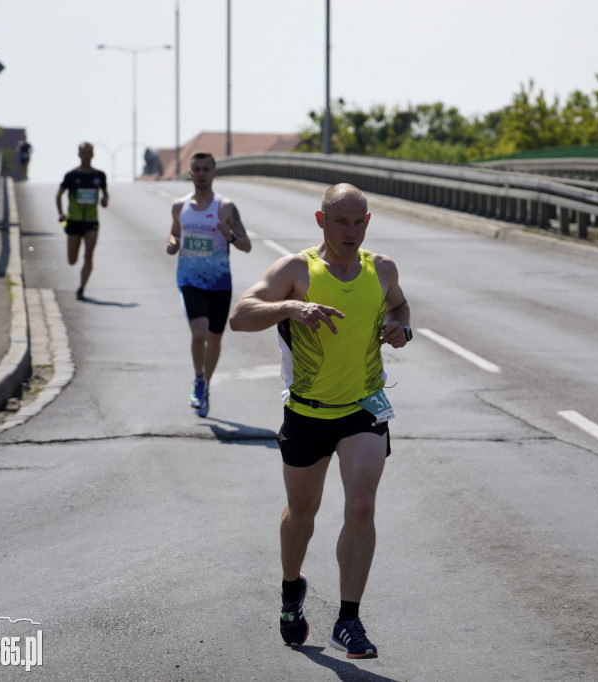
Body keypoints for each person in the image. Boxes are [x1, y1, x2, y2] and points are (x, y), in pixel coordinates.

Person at [229, 183, 412, 659]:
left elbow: (399, 305)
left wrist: (401, 327)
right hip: (307, 413)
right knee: (301, 516)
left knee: (361, 508)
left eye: (359, 221)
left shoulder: (382, 268)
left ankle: (347, 621)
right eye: (340, 221)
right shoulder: (296, 270)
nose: (350, 231)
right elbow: (241, 316)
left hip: (364, 410)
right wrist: (290, 307)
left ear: (367, 222)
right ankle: (292, 591)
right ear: (320, 220)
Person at [166, 152, 251, 418]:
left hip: (219, 282)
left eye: (206, 169)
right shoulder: (180, 207)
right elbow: (174, 231)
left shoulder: (226, 207)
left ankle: (205, 385)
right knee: (199, 333)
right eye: (197, 169)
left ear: (214, 173)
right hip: (190, 279)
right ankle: (198, 379)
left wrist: (232, 235)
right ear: (190, 173)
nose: (201, 173)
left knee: (214, 338)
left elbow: (246, 245)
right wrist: (172, 242)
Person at [55, 142, 109, 300]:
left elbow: (105, 194)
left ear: (93, 155)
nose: (87, 155)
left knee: (89, 255)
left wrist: (105, 200)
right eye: (84, 153)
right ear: (79, 154)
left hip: (91, 222)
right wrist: (60, 213)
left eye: (89, 152)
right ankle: (80, 284)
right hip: (74, 221)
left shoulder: (99, 175)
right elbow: (58, 195)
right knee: (72, 260)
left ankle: (81, 288)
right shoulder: (71, 175)